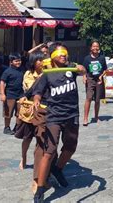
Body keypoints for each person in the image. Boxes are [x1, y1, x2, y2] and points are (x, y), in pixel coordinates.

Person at [31, 42, 86, 202]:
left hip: (72, 115)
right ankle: (40, 190)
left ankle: (57, 169)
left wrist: (81, 70)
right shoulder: (47, 73)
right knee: (50, 151)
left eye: (65, 53)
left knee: (70, 147)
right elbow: (37, 92)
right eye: (61, 54)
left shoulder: (70, 68)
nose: (64, 56)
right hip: (54, 116)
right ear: (53, 56)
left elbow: (82, 68)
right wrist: (36, 100)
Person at [14, 51, 45, 171]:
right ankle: (23, 157)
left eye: (43, 60)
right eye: (39, 60)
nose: (42, 62)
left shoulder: (46, 73)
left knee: (41, 137)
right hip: (29, 109)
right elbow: (32, 90)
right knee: (27, 137)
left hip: (42, 109)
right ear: (33, 62)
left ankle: (39, 160)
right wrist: (42, 78)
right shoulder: (28, 74)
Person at [82, 41, 107, 126]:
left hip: (99, 80)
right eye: (94, 46)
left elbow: (104, 69)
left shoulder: (102, 58)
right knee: (88, 98)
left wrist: (101, 76)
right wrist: (84, 77)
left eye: (97, 46)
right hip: (90, 79)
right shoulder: (87, 58)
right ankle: (85, 118)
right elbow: (84, 69)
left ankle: (96, 116)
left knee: (97, 100)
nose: (95, 48)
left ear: (99, 48)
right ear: (91, 48)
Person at [0, 53, 24, 135]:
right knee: (8, 113)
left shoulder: (22, 70)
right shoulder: (7, 71)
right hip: (10, 94)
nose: (18, 62)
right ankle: (6, 127)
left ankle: (17, 128)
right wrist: (2, 94)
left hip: (20, 94)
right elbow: (2, 82)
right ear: (11, 62)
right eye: (16, 61)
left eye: (19, 61)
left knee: (19, 112)